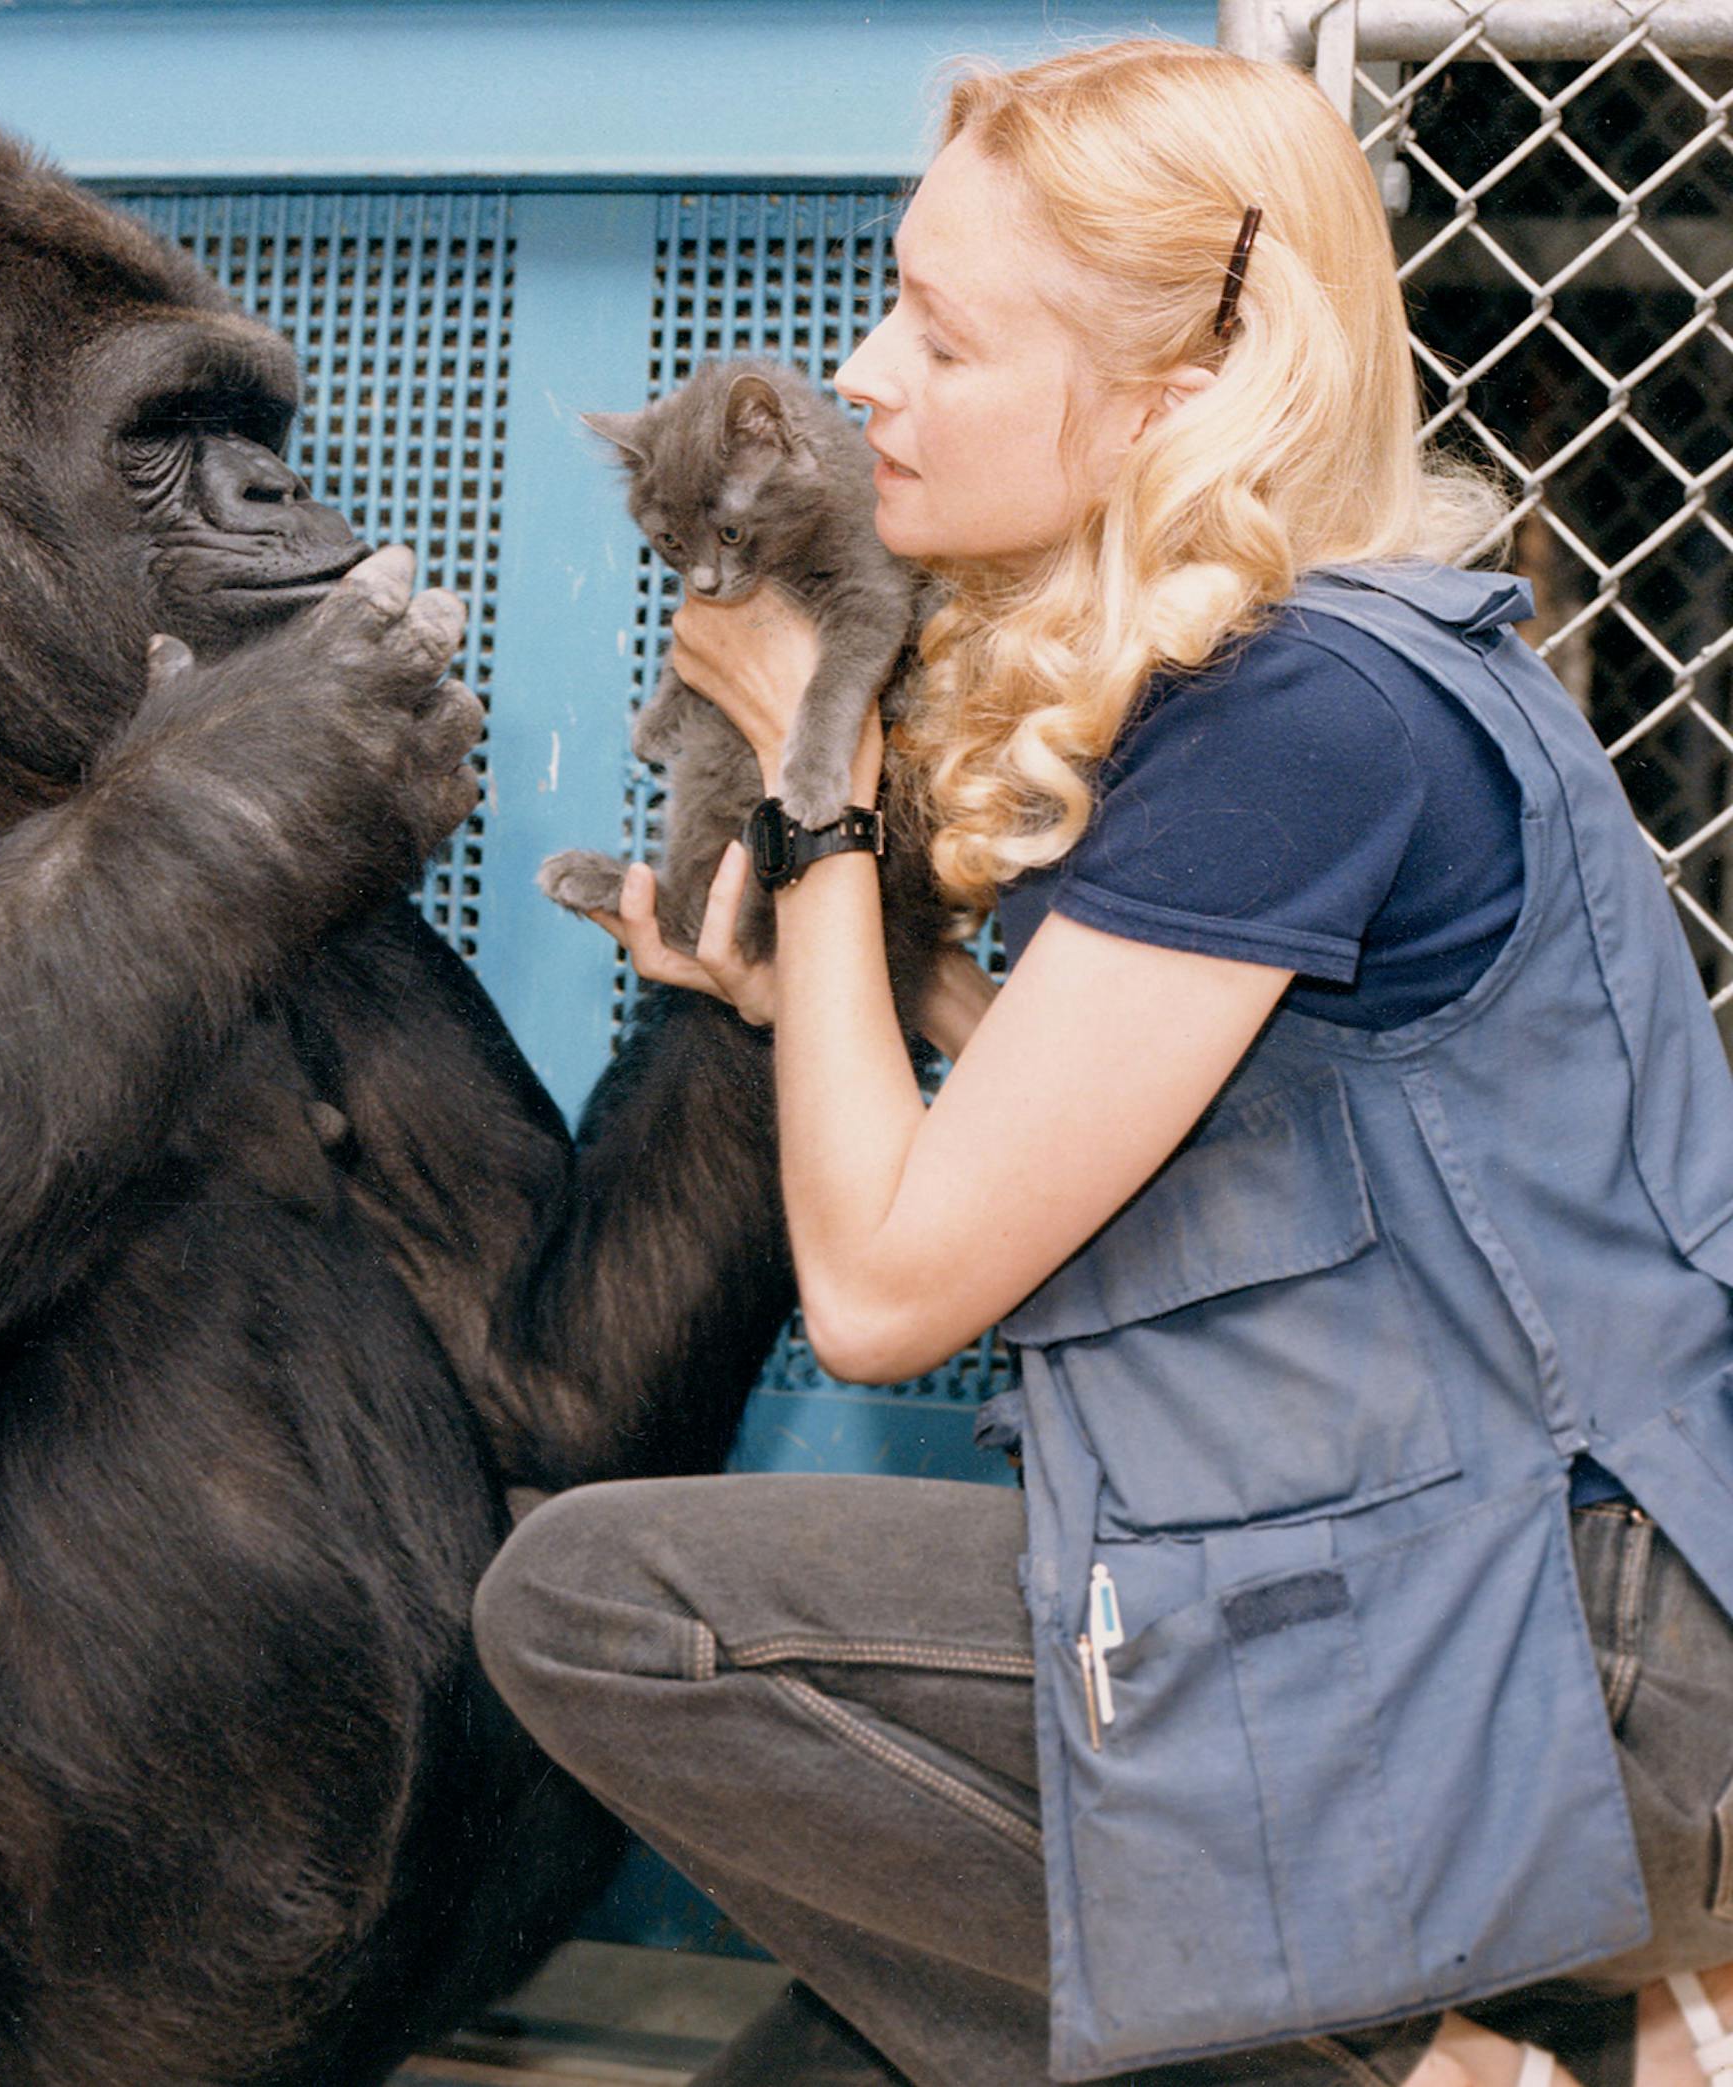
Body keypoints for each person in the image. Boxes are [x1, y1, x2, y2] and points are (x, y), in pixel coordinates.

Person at [472, 37, 1733, 2087]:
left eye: (944, 335)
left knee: (601, 1608)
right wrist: (854, 998)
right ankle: (1583, 2026)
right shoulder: (1296, 684)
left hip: (1547, 1652)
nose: (866, 372)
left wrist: (811, 768)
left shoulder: (1301, 718)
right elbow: (1169, 1141)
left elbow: (881, 1290)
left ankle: (1439, 2061)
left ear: (1172, 397)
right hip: (1428, 1596)